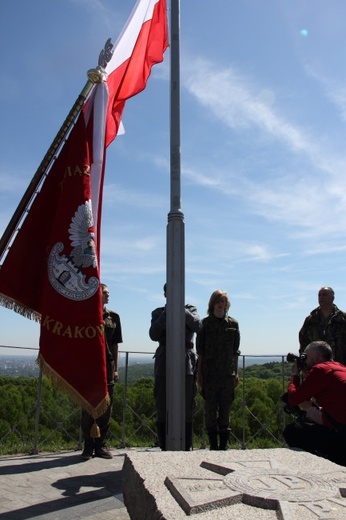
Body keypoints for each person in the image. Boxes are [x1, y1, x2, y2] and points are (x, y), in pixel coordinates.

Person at [149, 283, 203, 451]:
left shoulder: (190, 309)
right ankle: (164, 446)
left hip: (186, 361)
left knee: (187, 402)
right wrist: (167, 313)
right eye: (170, 293)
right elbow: (153, 334)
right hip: (164, 359)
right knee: (161, 402)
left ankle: (186, 446)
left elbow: (199, 326)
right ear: (165, 294)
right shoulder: (158, 312)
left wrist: (180, 310)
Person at [283, 341, 346, 466]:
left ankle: (322, 464)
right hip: (340, 424)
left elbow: (293, 398)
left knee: (292, 432)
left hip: (341, 433)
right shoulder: (340, 367)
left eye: (305, 357)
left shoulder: (320, 369)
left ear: (316, 357)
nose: (304, 360)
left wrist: (295, 374)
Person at [81, 283, 123, 460]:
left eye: (108, 293)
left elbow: (115, 345)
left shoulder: (114, 317)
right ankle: (87, 446)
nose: (108, 296)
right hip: (89, 365)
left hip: (108, 366)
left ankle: (100, 445)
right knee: (87, 405)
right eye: (105, 293)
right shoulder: (86, 315)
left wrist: (115, 368)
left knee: (107, 406)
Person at [196, 290, 240, 450]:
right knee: (210, 410)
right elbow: (200, 352)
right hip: (209, 374)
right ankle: (213, 445)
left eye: (223, 301)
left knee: (225, 410)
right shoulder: (205, 324)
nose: (221, 304)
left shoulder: (233, 325)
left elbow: (235, 352)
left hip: (227, 374)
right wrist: (199, 373)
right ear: (213, 303)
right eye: (218, 301)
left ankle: (224, 445)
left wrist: (236, 372)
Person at [299, 286, 346, 364]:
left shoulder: (343, 319)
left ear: (332, 297)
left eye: (324, 294)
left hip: (340, 367)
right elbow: (303, 342)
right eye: (319, 295)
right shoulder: (311, 320)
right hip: (316, 367)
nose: (321, 297)